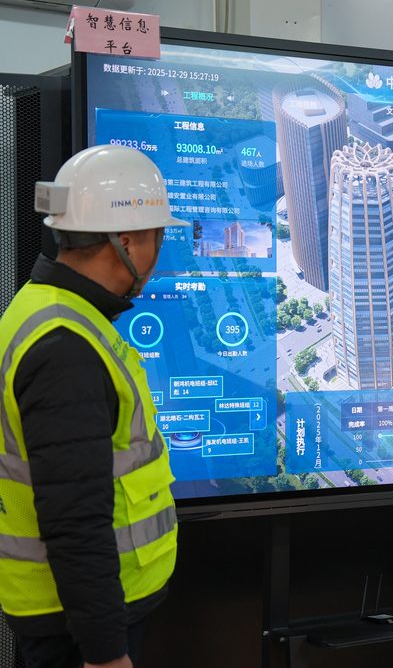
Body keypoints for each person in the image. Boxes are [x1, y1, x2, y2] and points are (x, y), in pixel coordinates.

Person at [0, 145, 186, 668]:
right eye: (156, 235)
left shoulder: (50, 312)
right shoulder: (64, 346)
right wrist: (105, 654)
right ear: (126, 241)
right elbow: (75, 516)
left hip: (77, 613)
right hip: (78, 626)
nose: (157, 251)